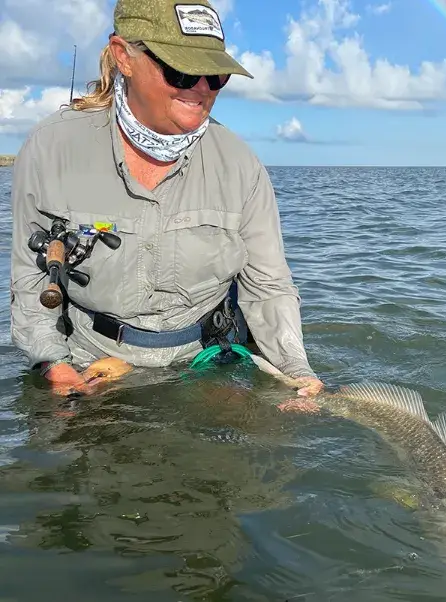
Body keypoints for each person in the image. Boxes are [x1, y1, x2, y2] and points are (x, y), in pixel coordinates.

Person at [9, 0, 323, 398]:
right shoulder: (50, 147)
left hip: (207, 361)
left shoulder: (241, 165)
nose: (202, 90)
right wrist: (53, 362)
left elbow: (269, 287)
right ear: (124, 56)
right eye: (181, 71)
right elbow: (31, 275)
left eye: (216, 76)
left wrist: (297, 371)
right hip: (92, 361)